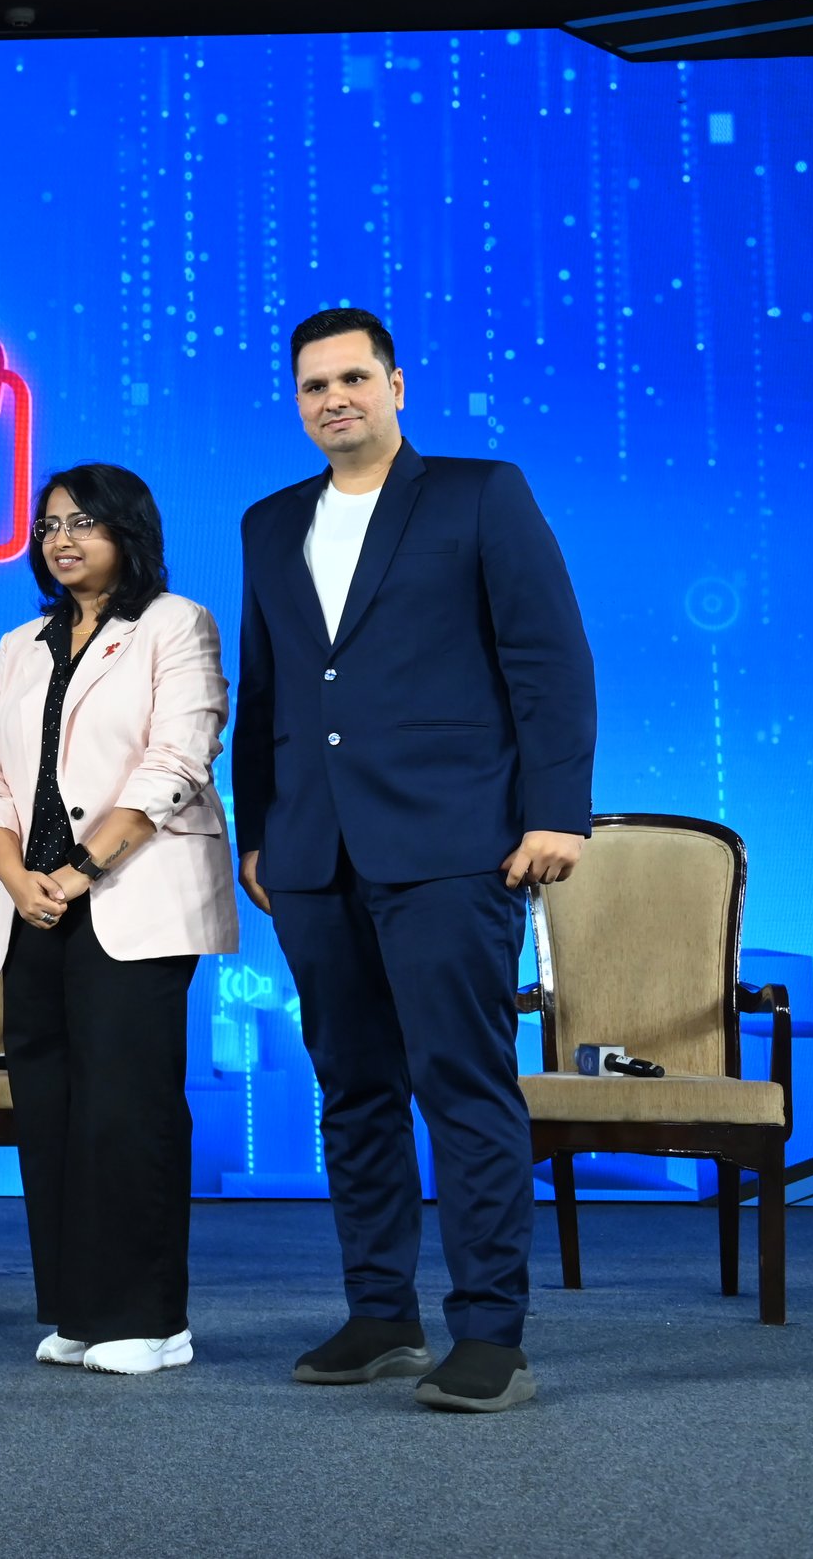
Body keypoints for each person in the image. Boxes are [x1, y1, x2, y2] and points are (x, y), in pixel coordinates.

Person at [235, 306, 595, 1414]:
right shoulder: (268, 520)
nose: (333, 398)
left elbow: (548, 657)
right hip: (310, 852)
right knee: (352, 1091)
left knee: (464, 1085)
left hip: (452, 844)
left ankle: (491, 1333)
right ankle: (380, 1313)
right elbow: (269, 685)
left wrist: (557, 812)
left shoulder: (479, 494)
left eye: (352, 378)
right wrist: (257, 829)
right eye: (313, 386)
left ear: (396, 384)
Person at [0, 463, 236, 1376]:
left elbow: (175, 762)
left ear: (130, 531)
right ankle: (79, 1308)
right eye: (48, 525)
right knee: (52, 1110)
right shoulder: (18, 643)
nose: (62, 539)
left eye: (83, 522)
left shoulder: (176, 624)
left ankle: (151, 1320)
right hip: (31, 904)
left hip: (129, 897)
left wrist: (75, 873)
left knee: (129, 1110)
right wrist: (17, 874)